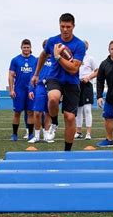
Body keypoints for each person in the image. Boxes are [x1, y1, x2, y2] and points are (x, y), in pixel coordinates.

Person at [32, 13, 86, 151]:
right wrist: (36, 74)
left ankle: (67, 151)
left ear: (73, 26)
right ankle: (54, 121)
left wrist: (58, 57)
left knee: (69, 117)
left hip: (72, 82)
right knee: (53, 98)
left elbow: (74, 69)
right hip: (54, 78)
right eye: (62, 26)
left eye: (68, 26)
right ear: (59, 25)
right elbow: (43, 55)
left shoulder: (79, 44)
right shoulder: (52, 41)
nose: (65, 29)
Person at [9, 39, 37, 141]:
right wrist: (11, 90)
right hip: (19, 90)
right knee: (17, 112)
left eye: (28, 47)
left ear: (30, 48)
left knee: (30, 112)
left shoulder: (35, 60)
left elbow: (37, 75)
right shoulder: (15, 60)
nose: (26, 49)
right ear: (21, 48)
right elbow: (11, 75)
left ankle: (30, 134)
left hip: (31, 90)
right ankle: (14, 134)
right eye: (24, 47)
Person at [28, 39, 54, 143]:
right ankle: (37, 135)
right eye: (45, 46)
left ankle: (47, 134)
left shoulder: (56, 60)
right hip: (40, 87)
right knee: (37, 112)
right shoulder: (38, 59)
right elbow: (33, 74)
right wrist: (31, 89)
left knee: (48, 112)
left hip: (52, 86)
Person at [75, 40, 98, 140]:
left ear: (87, 48)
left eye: (84, 46)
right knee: (78, 110)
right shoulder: (73, 58)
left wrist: (88, 77)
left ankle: (88, 133)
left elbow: (97, 70)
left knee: (87, 110)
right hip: (76, 85)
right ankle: (78, 132)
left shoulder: (90, 58)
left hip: (87, 85)